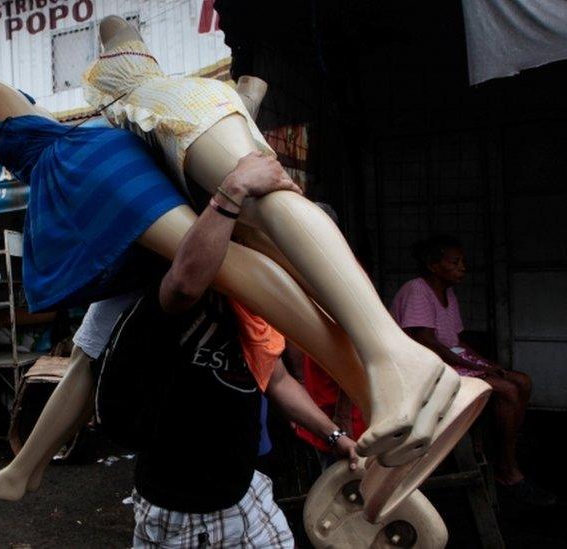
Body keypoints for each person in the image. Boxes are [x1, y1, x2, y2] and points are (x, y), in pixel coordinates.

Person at [81, 15, 463, 465]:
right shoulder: (151, 126)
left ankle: (393, 359)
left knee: (268, 206)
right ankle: (386, 389)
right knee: (278, 245)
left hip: (186, 113)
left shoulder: (137, 98)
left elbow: (113, 24)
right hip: (205, 125)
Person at [96, 152, 356, 547]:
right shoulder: (187, 294)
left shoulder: (257, 309)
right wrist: (234, 188)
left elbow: (277, 378)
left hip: (246, 494)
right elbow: (184, 284)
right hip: (184, 513)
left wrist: (336, 437)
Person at [391, 235, 556, 506]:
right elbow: (426, 341)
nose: (462, 268)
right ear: (434, 266)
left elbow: (456, 341)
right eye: (454, 263)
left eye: (462, 262)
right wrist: (474, 366)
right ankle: (506, 467)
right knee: (506, 390)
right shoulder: (417, 289)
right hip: (425, 366)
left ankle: (505, 449)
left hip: (450, 359)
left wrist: (486, 364)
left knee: (522, 381)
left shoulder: (448, 293)